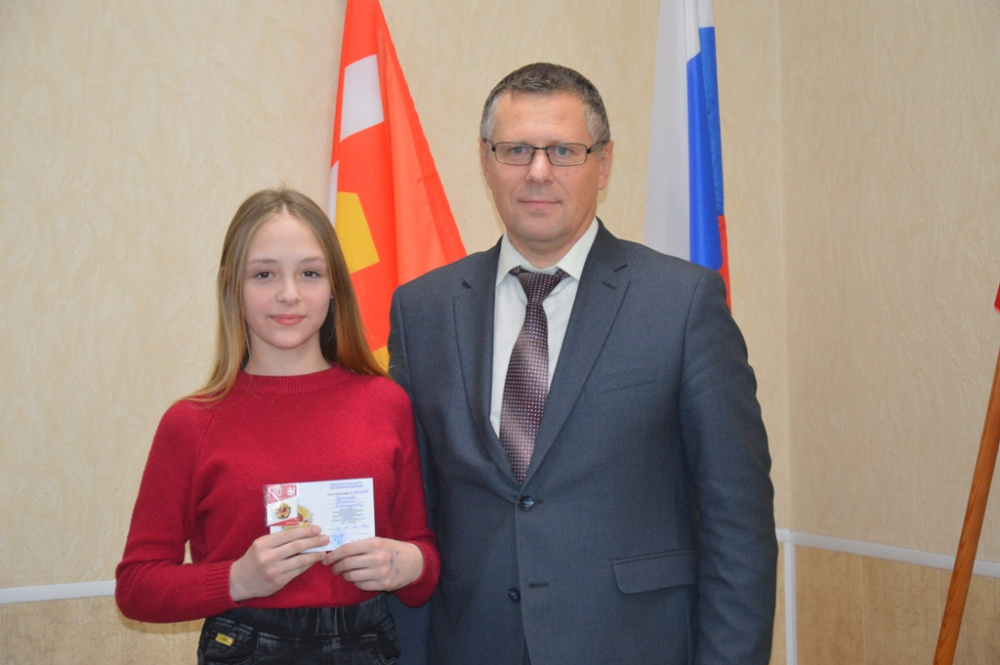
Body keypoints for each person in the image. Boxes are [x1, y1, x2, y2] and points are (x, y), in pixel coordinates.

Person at [387, 63, 776, 664]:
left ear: (604, 162)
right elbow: (414, 510)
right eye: (516, 149)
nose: (538, 172)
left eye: (564, 151)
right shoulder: (423, 310)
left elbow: (738, 523)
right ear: (486, 161)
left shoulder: (681, 303)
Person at [116, 188, 440, 664]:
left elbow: (422, 563)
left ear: (334, 286)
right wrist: (237, 579)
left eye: (310, 273)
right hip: (245, 643)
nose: (289, 294)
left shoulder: (387, 403)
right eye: (264, 274)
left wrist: (408, 565)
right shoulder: (191, 423)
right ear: (232, 286)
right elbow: (136, 587)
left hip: (370, 643)